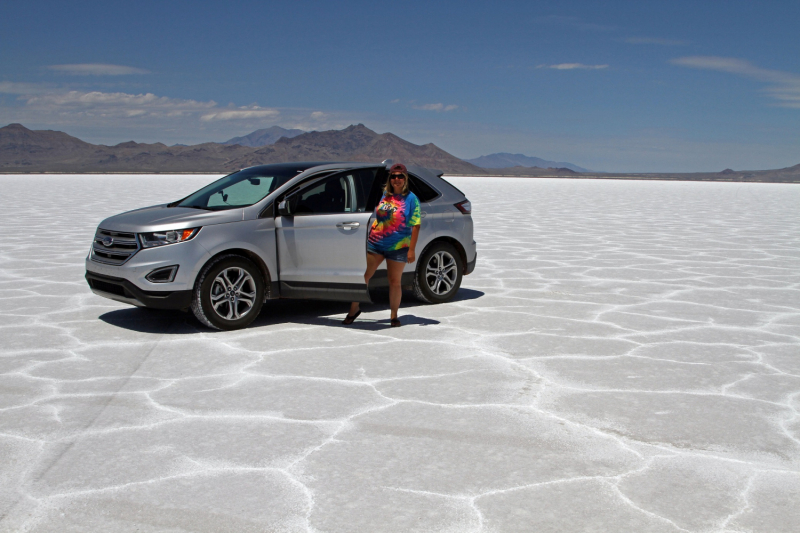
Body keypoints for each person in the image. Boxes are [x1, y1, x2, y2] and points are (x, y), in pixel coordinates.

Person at [343, 163, 421, 327]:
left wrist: (411, 250)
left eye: (400, 176)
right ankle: (354, 309)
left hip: (398, 247)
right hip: (376, 244)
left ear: (405, 178)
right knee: (365, 276)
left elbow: (416, 225)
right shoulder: (386, 195)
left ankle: (393, 316)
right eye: (393, 176)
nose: (396, 179)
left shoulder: (412, 199)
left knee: (394, 281)